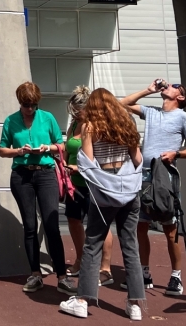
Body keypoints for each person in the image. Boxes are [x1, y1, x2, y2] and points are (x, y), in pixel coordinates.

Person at [60, 88, 145, 321]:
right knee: (130, 245)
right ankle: (135, 304)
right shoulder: (126, 125)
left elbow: (88, 162)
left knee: (92, 244)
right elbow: (138, 159)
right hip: (129, 191)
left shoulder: (89, 128)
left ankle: (82, 300)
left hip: (104, 195)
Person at [119, 79, 186, 295]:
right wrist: (148, 90)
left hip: (165, 177)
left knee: (170, 228)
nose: (169, 86)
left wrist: (177, 154)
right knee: (141, 226)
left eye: (175, 86)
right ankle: (144, 274)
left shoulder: (184, 117)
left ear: (180, 97)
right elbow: (122, 105)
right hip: (143, 176)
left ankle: (176, 277)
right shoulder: (152, 112)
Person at [0, 81, 74, 294]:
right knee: (30, 226)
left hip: (46, 174)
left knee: (51, 226)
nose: (29, 108)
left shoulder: (47, 117)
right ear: (20, 102)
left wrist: (47, 147)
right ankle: (35, 274)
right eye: (25, 104)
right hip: (22, 175)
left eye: (32, 104)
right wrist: (19, 151)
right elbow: (2, 150)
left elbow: (62, 145)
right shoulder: (11, 120)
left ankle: (62, 276)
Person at [63, 87, 115, 286]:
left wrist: (81, 167)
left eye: (80, 109)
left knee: (101, 223)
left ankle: (106, 268)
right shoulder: (75, 123)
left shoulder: (97, 126)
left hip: (94, 182)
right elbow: (68, 147)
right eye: (74, 109)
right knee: (74, 220)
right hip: (73, 183)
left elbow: (100, 157)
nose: (76, 113)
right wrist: (64, 165)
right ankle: (80, 259)